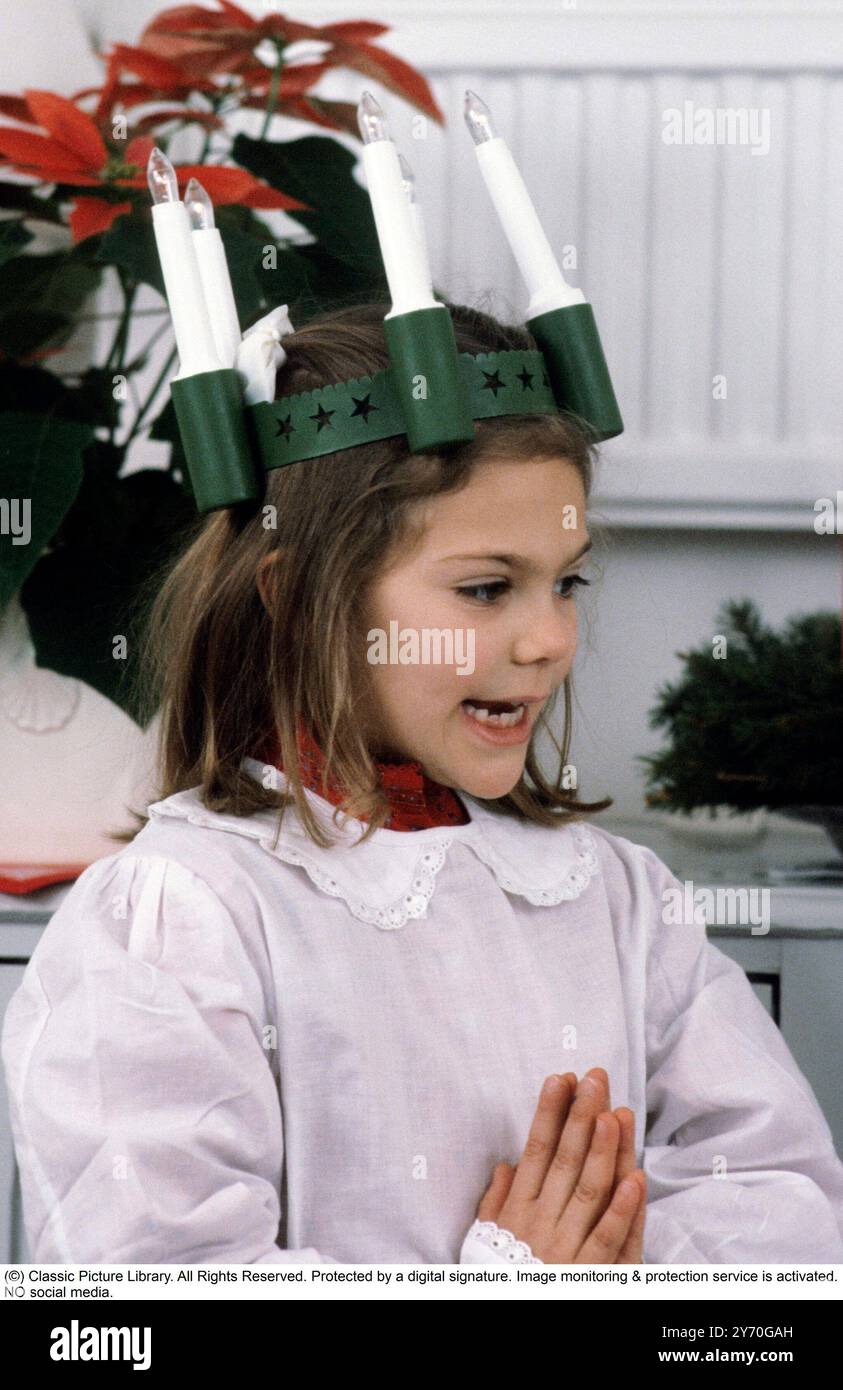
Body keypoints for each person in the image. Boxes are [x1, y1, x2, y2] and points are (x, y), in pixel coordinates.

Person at [3, 301, 843, 1266]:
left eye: (567, 583)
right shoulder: (179, 920)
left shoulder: (614, 900)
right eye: (486, 589)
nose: (550, 640)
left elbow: (786, 1206)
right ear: (300, 601)